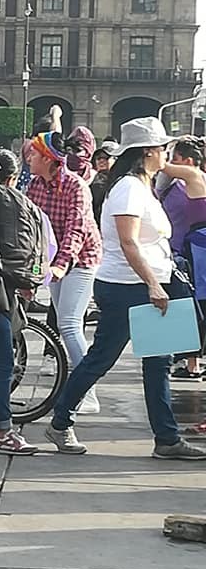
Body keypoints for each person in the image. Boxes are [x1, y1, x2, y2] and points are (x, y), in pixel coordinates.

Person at [45, 117, 206, 461]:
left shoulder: (140, 184)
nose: (167, 154)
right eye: (163, 148)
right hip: (129, 286)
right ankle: (61, 420)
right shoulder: (130, 188)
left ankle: (167, 438)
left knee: (156, 362)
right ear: (149, 151)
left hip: (151, 282)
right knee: (104, 358)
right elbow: (128, 242)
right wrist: (152, 285)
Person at [27, 129, 102, 414]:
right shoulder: (34, 185)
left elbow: (77, 229)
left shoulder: (75, 186)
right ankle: (80, 388)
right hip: (53, 260)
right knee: (63, 324)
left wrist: (62, 263)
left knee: (70, 323)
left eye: (34, 153)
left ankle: (88, 393)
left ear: (48, 158)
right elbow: (31, 228)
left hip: (82, 259)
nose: (30, 157)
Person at [0, 149, 38, 455]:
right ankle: (2, 428)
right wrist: (26, 281)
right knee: (3, 361)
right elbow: (23, 248)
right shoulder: (12, 201)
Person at [158, 136, 206, 380]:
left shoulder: (194, 175)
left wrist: (160, 146)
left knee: (198, 302)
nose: (172, 163)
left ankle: (192, 364)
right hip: (198, 242)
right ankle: (192, 360)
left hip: (200, 245)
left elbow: (160, 165)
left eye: (177, 159)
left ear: (188, 161)